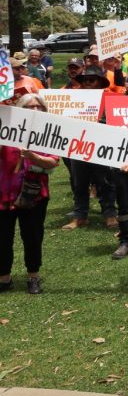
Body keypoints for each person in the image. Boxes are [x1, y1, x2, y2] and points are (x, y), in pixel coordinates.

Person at [0, 93, 60, 294]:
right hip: (4, 194)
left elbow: (52, 162)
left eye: (38, 107)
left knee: (32, 236)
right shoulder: (4, 129)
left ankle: (33, 276)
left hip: (33, 194)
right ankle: (4, 277)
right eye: (29, 107)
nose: (34, 111)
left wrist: (32, 155)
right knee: (2, 237)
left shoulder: (48, 133)